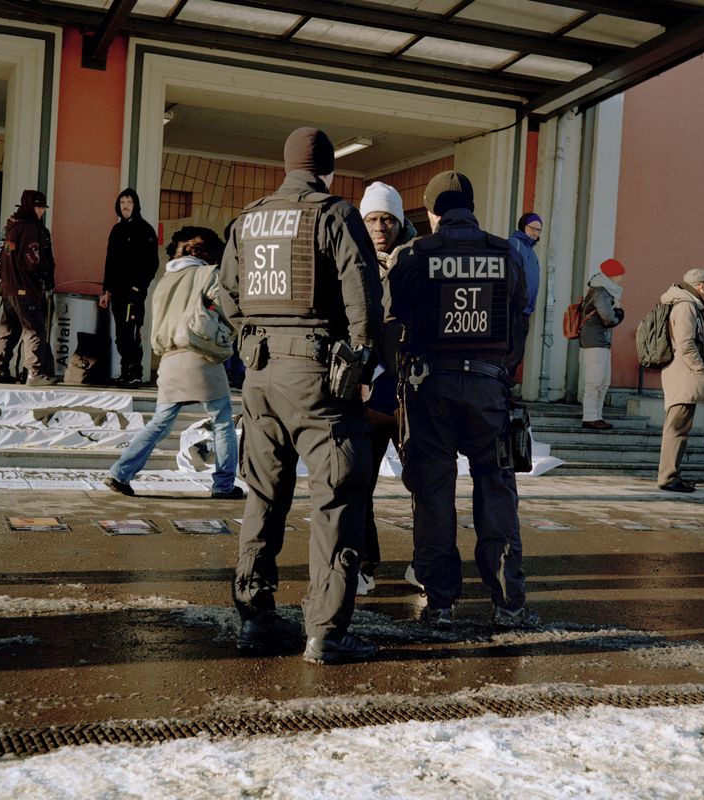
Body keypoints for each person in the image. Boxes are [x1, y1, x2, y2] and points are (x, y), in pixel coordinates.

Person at [219, 127, 384, 664]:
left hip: (260, 376)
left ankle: (255, 618)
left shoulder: (249, 219)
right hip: (317, 378)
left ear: (288, 164)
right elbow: (361, 287)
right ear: (328, 168)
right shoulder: (335, 213)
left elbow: (225, 292)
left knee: (263, 496)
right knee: (336, 497)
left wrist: (252, 338)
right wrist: (361, 358)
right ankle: (326, 632)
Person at [388, 170, 539, 630]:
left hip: (431, 389)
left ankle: (440, 604)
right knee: (496, 494)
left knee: (434, 495)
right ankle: (508, 603)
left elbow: (391, 322)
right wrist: (501, 371)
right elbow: (519, 322)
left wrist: (402, 371)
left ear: (434, 211)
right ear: (471, 209)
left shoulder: (416, 254)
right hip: (490, 391)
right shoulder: (506, 253)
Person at [104, 226, 242, 501]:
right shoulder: (208, 274)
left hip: (168, 358)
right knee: (223, 421)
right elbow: (226, 310)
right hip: (200, 357)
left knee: (160, 422)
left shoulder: (164, 280)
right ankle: (224, 485)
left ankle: (120, 473)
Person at [357, 181, 416, 595]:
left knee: (425, 483)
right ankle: (362, 564)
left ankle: (425, 564)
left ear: (400, 222)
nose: (381, 226)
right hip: (368, 394)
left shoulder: (418, 259)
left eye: (388, 218)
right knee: (359, 482)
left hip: (414, 392)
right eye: (373, 218)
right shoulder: (352, 260)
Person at [656, 268, 704, 493]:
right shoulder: (685, 307)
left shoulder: (688, 305)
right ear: (701, 285)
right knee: (677, 429)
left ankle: (670, 475)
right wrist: (700, 368)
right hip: (683, 377)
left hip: (683, 376)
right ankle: (669, 477)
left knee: (679, 428)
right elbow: (686, 343)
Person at [0, 189, 57, 386]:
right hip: (25, 288)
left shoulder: (10, 226)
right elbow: (32, 260)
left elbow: (0, 257)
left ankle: (0, 370)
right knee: (34, 328)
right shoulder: (30, 229)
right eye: (38, 207)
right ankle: (34, 372)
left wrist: (2, 280)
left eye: (43, 208)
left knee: (8, 329)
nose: (41, 211)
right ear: (30, 206)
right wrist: (43, 272)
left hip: (8, 288)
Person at [99, 188, 159, 388]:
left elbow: (152, 263)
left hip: (133, 294)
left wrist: (138, 286)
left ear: (136, 205)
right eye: (122, 202)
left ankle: (135, 373)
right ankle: (125, 372)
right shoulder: (116, 231)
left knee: (133, 333)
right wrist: (106, 291)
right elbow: (110, 262)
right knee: (121, 335)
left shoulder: (145, 230)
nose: (125, 206)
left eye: (129, 202)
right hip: (116, 292)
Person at [579, 258, 626, 430]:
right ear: (611, 275)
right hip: (594, 340)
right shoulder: (601, 291)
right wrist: (619, 315)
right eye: (619, 275)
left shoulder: (606, 290)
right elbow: (607, 317)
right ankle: (590, 417)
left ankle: (597, 416)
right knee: (594, 381)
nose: (621, 279)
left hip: (602, 340)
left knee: (603, 381)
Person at [510, 212, 542, 330]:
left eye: (538, 230)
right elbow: (511, 274)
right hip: (515, 310)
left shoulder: (532, 252)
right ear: (523, 226)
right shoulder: (515, 243)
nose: (536, 232)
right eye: (532, 228)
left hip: (526, 311)